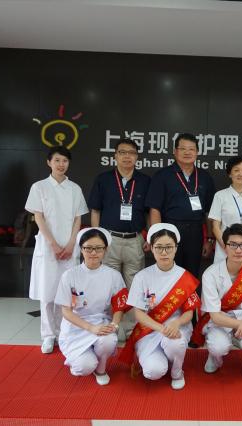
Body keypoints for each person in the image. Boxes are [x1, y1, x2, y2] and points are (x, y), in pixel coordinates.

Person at [120, 223, 201, 390]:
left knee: (175, 344)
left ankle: (177, 372)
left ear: (176, 248)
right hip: (150, 329)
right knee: (153, 372)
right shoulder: (142, 277)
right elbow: (139, 314)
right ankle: (160, 359)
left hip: (176, 328)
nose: (164, 252)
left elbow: (189, 313)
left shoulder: (185, 277)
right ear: (151, 248)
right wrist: (160, 328)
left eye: (169, 247)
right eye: (159, 247)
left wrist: (176, 323)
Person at [25, 146, 88, 354]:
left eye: (65, 161)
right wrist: (53, 243)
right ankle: (48, 335)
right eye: (57, 160)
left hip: (69, 248)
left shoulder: (75, 189)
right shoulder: (39, 187)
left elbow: (78, 219)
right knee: (47, 293)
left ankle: (64, 333)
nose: (61, 165)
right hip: (47, 246)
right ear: (49, 162)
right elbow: (39, 217)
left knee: (66, 293)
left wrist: (71, 244)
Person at [191, 223, 242, 384]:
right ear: (225, 247)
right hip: (220, 320)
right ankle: (215, 359)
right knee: (218, 347)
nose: (238, 250)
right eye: (233, 245)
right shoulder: (211, 274)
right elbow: (215, 316)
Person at [88, 137, 150, 339]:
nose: (127, 156)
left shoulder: (144, 181)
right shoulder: (103, 179)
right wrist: (97, 239)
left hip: (135, 240)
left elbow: (149, 212)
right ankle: (109, 324)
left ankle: (131, 326)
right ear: (115, 155)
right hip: (109, 240)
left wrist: (149, 236)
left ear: (137, 157)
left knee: (134, 284)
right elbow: (95, 210)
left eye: (131, 153)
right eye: (122, 152)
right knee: (110, 284)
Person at [54, 228, 130, 385]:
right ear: (81, 249)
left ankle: (101, 368)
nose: (93, 253)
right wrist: (90, 328)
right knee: (84, 367)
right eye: (88, 248)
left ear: (105, 250)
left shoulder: (113, 276)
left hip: (101, 322)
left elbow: (119, 306)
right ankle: (85, 359)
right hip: (76, 327)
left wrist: (114, 325)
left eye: (98, 248)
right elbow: (66, 311)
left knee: (108, 341)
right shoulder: (70, 275)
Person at [145, 133, 216, 282]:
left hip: (196, 233)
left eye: (191, 149)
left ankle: (190, 299)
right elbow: (154, 209)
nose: (187, 152)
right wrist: (158, 238)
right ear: (175, 152)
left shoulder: (204, 177)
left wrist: (209, 239)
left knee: (192, 274)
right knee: (168, 275)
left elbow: (209, 211)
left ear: (197, 152)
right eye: (183, 148)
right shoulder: (162, 176)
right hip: (170, 231)